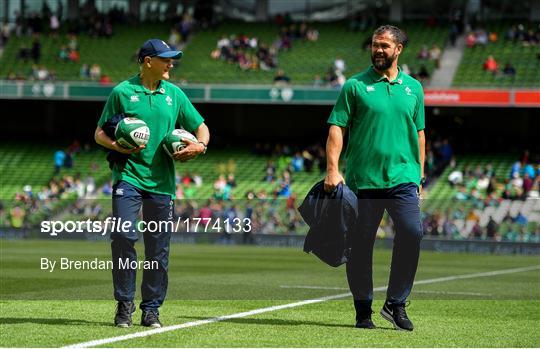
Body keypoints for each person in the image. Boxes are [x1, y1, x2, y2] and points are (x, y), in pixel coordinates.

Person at [94, 39, 210, 328]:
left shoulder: (174, 94)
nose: (171, 63)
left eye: (172, 59)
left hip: (162, 183)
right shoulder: (122, 91)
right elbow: (99, 133)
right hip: (128, 177)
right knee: (123, 236)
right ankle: (124, 305)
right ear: (148, 61)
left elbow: (201, 127)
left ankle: (151, 309)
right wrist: (118, 147)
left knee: (158, 249)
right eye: (166, 59)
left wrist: (201, 146)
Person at [324, 25, 425, 331]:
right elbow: (337, 128)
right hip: (363, 180)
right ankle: (363, 309)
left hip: (404, 179)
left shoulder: (414, 88)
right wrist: (332, 169)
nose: (378, 50)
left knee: (412, 232)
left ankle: (395, 304)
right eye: (374, 45)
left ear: (398, 50)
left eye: (384, 45)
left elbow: (420, 134)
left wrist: (419, 175)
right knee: (360, 247)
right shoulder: (354, 86)